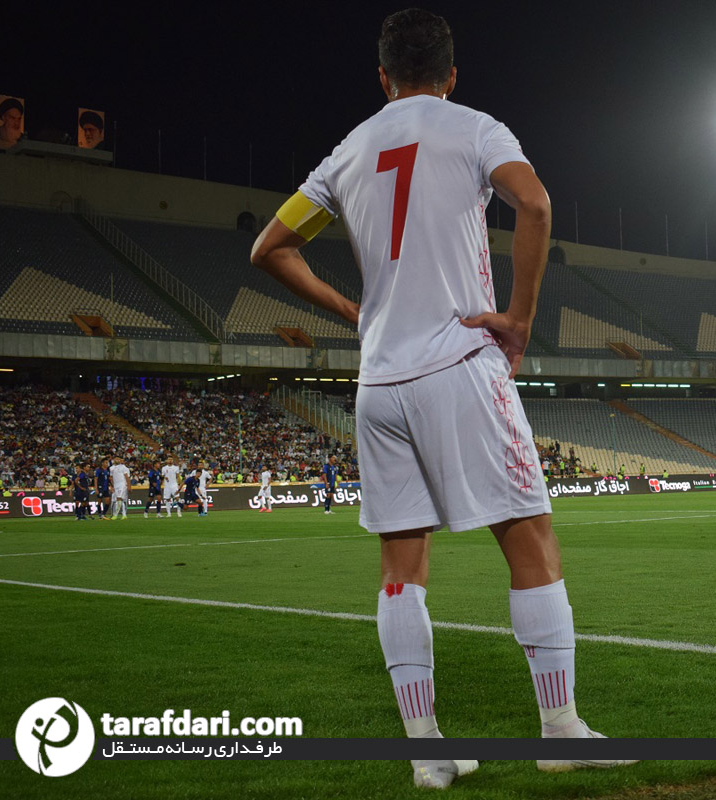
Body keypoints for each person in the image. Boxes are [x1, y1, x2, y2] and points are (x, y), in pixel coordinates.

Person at [250, 8, 633, 789]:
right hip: (458, 361)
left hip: (379, 382)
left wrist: (354, 312)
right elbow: (534, 205)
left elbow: (269, 249)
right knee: (529, 539)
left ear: (382, 76)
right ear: (452, 74)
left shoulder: (348, 151)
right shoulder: (476, 128)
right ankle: (559, 729)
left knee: (401, 569)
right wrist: (519, 319)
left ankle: (427, 751)